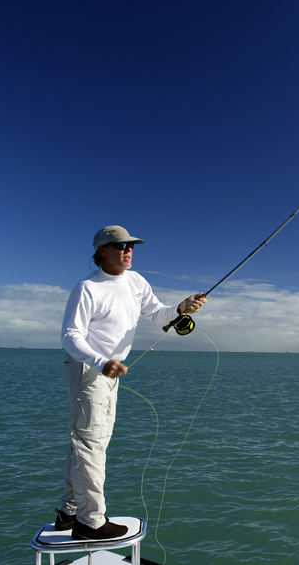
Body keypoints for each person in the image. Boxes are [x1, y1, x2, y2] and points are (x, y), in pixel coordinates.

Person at [53, 225, 206, 540]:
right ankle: (90, 522)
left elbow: (156, 313)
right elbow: (70, 336)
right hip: (88, 369)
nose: (128, 250)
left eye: (130, 245)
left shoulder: (136, 281)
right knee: (91, 444)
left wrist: (181, 308)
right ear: (102, 252)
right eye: (120, 246)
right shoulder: (88, 288)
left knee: (87, 443)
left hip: (111, 371)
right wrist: (100, 361)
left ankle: (69, 513)